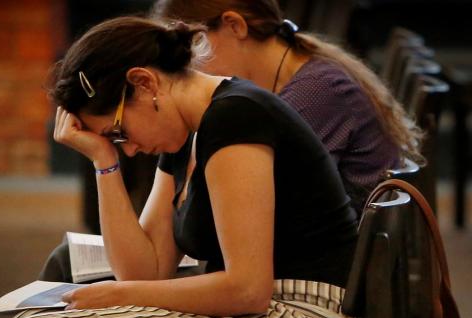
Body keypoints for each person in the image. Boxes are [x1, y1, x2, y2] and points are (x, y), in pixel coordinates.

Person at [3, 16, 359, 318]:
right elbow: (144, 271)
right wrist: (103, 161)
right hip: (262, 310)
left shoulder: (235, 117)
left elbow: (248, 289)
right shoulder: (187, 132)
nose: (128, 150)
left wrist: (118, 296)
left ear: (145, 83)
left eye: (118, 132)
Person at [152, 0, 423, 216]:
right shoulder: (296, 79)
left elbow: (256, 209)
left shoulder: (317, 91)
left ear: (234, 26)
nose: (186, 70)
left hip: (334, 276)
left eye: (191, 49)